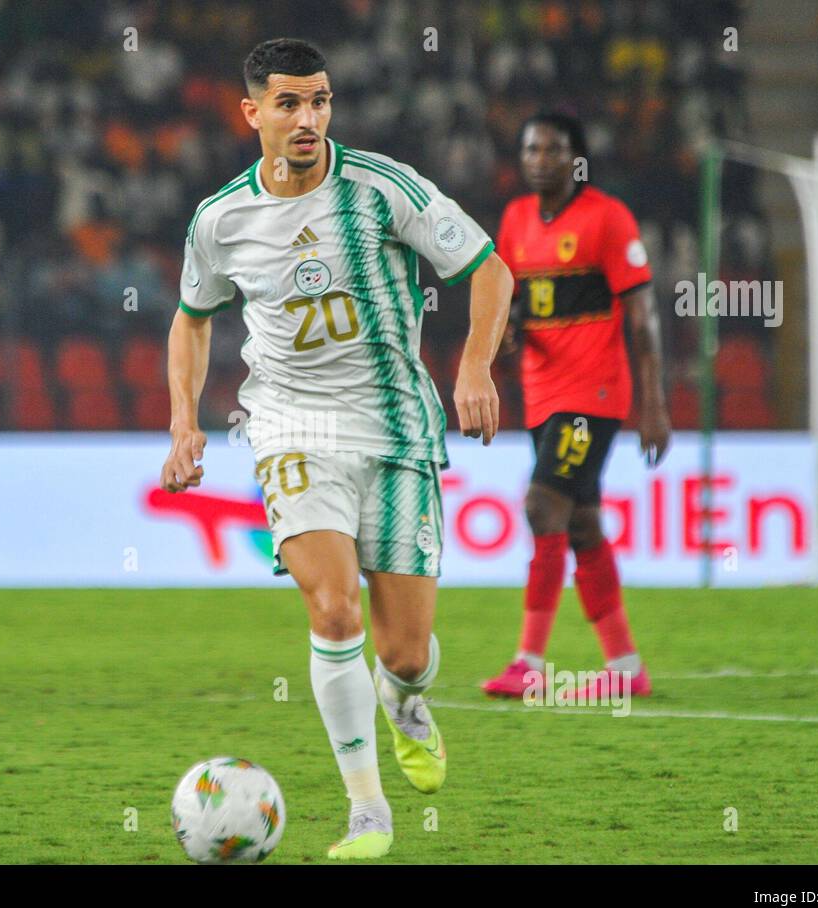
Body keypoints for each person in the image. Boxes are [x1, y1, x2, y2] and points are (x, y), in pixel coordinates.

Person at [160, 38, 512, 859]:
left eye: (319, 100)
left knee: (407, 651)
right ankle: (367, 811)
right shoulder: (221, 219)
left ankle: (409, 702)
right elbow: (190, 317)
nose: (308, 118)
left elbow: (488, 268)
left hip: (395, 426)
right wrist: (184, 421)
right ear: (251, 113)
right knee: (332, 607)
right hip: (290, 427)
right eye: (288, 103)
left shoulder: (384, 187)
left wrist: (476, 367)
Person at [482, 113, 670, 701]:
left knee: (542, 507)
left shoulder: (607, 219)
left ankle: (527, 661)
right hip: (542, 393)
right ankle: (625, 666)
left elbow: (643, 317)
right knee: (582, 523)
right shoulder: (515, 219)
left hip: (593, 393)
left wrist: (654, 404)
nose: (540, 158)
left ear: (576, 156)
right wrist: (510, 331)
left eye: (553, 149)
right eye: (530, 148)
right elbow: (514, 304)